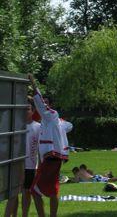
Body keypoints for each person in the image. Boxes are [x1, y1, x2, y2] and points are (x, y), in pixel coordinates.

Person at [28, 74, 72, 217]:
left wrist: (33, 84)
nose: (43, 104)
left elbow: (40, 104)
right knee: (53, 190)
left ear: (49, 106)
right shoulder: (53, 120)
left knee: (34, 190)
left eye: (46, 103)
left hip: (51, 157)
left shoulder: (50, 115)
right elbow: (69, 126)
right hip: (54, 158)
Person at [3, 98, 41, 217]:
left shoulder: (38, 127)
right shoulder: (15, 126)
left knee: (26, 192)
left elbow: (40, 149)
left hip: (30, 166)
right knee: (13, 194)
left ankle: (24, 214)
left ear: (33, 111)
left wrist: (39, 167)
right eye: (23, 109)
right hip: (15, 164)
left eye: (28, 109)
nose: (25, 111)